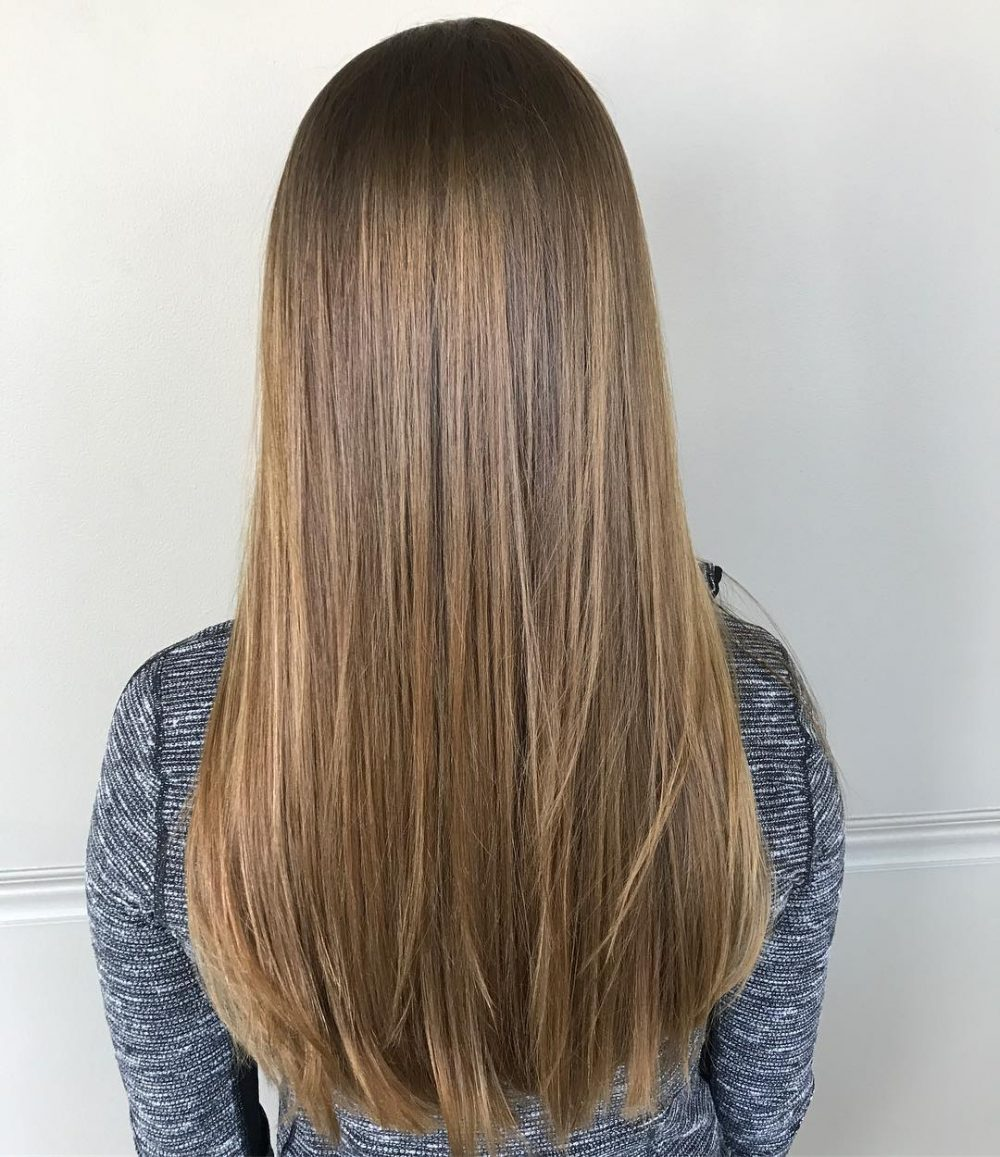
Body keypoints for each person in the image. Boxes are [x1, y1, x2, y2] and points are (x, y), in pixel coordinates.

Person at [85, 16, 846, 1157]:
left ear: (312, 343)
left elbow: (187, 1136)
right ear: (606, 332)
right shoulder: (750, 715)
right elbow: (760, 1114)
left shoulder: (183, 737)